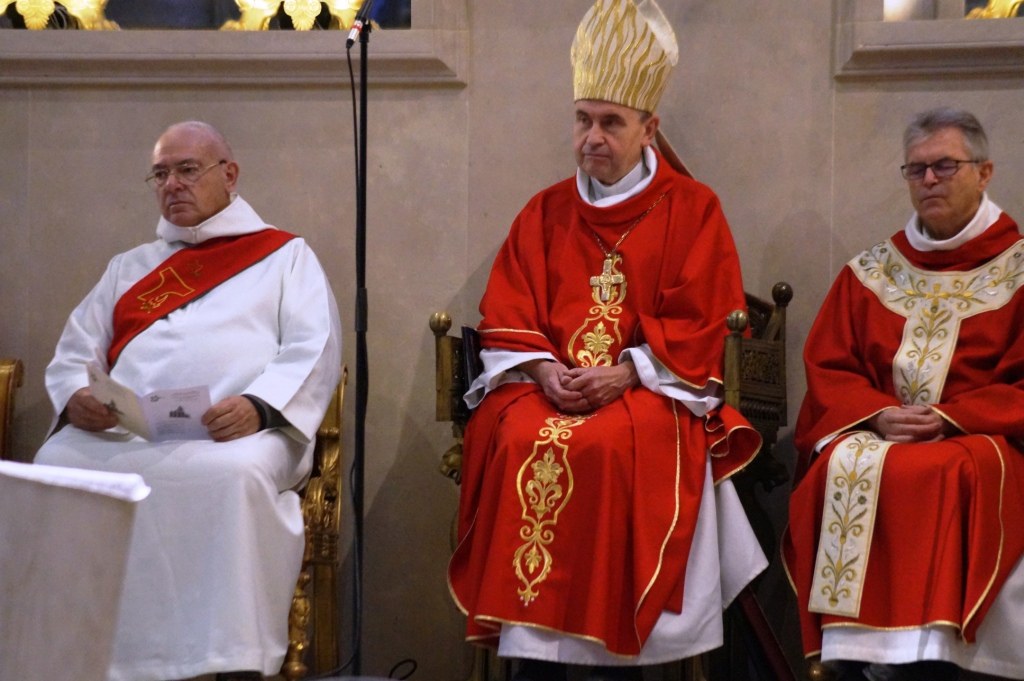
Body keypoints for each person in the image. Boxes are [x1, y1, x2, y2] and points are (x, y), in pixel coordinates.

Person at [446, 2, 766, 679]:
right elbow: (510, 304)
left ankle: (610, 651)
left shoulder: (693, 209)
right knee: (514, 435)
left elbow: (703, 317)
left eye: (611, 122)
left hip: (646, 389)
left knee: (611, 444)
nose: (592, 137)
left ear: (649, 128)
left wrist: (627, 372)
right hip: (553, 386)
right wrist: (541, 370)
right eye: (583, 119)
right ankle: (534, 651)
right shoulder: (545, 211)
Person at [34, 120, 342, 681]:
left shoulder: (285, 257)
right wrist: (77, 397)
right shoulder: (129, 267)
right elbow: (76, 350)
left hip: (237, 433)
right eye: (160, 174)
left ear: (230, 174)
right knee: (56, 464)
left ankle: (222, 657)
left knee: (233, 477)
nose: (172, 184)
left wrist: (258, 406)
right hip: (128, 432)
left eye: (187, 169)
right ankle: (77, 649)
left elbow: (313, 346)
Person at [783, 107, 1024, 681]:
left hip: (982, 439)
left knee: (947, 468)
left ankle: (938, 653)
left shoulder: (1018, 268)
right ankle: (854, 652)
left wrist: (951, 418)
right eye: (916, 169)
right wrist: (877, 415)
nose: (929, 180)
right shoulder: (872, 271)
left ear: (984, 172)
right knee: (843, 460)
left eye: (945, 166)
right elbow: (830, 368)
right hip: (882, 432)